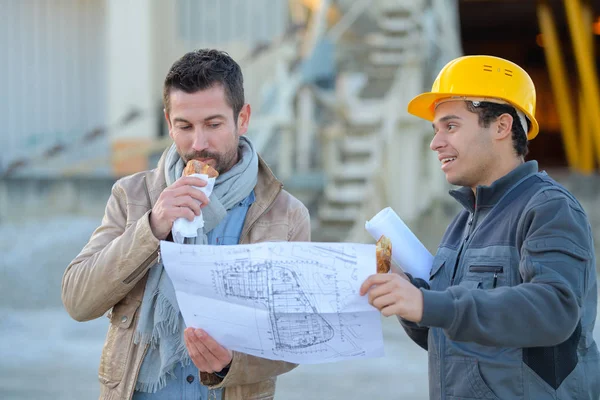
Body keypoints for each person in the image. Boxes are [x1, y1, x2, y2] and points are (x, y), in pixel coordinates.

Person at [62, 49, 311, 400]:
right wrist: (152, 226)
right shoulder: (132, 196)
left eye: (213, 124)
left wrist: (231, 363)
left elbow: (298, 335)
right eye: (184, 126)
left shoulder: (285, 214)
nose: (198, 144)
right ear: (168, 122)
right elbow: (78, 300)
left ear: (243, 119)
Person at [361, 55, 599, 399]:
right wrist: (407, 298)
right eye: (436, 130)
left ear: (502, 127)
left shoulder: (548, 208)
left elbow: (555, 309)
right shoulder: (463, 223)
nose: (436, 142)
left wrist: (430, 304)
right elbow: (449, 337)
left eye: (451, 126)